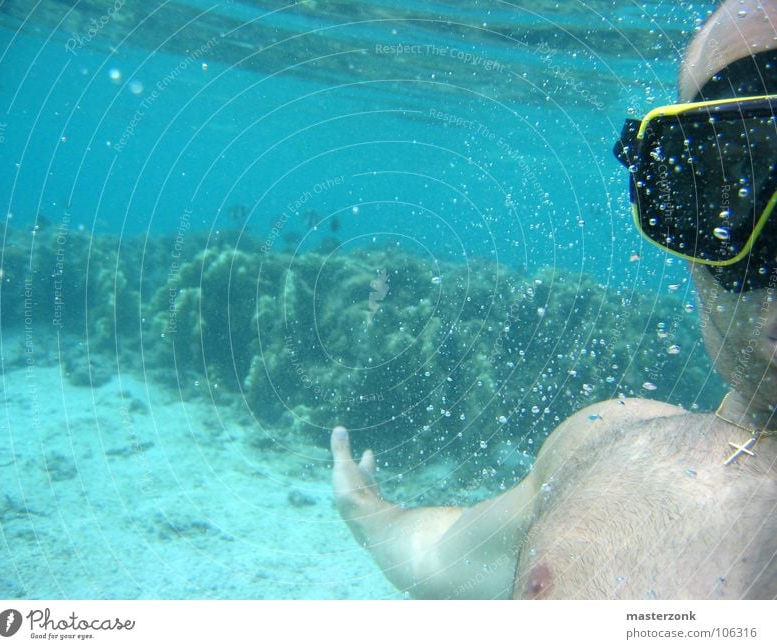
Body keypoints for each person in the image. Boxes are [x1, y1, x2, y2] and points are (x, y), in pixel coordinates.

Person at [330, 0, 777, 599]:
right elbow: (441, 556)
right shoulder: (599, 446)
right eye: (736, 177)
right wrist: (369, 513)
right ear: (676, 203)